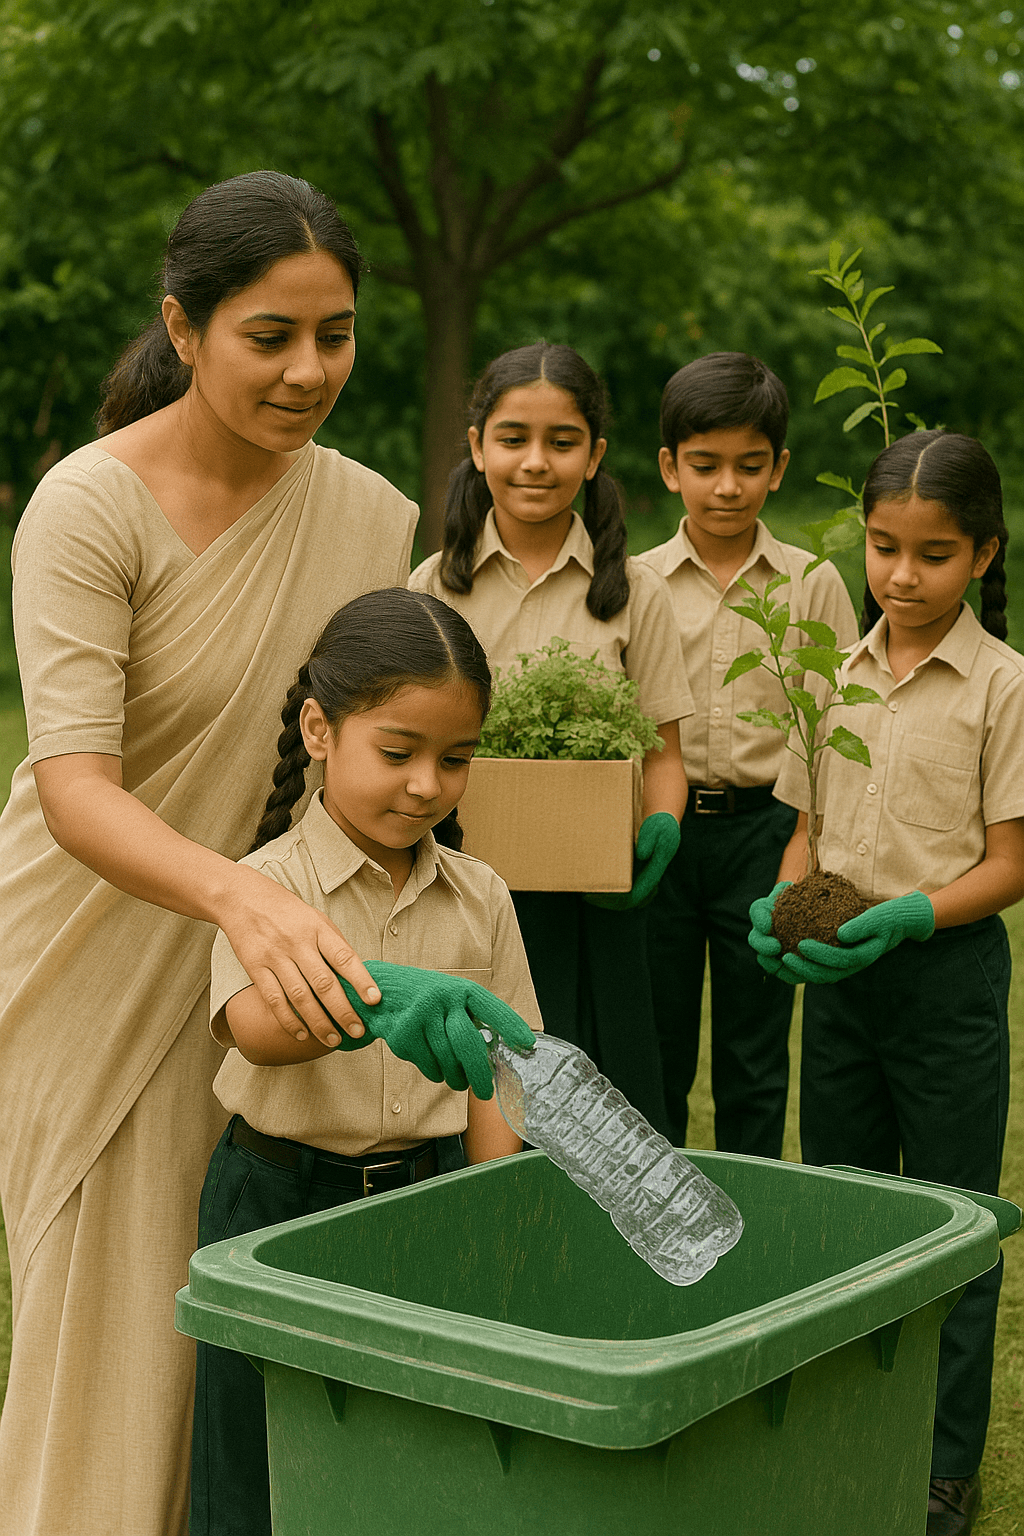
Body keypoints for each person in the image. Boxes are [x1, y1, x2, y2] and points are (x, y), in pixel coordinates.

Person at [0, 171, 422, 1536]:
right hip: (88, 947)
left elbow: (377, 747)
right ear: (183, 329)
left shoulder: (371, 517)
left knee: (231, 1317)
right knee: (101, 1335)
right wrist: (234, 895)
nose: (311, 370)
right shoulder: (86, 506)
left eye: (337, 334)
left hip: (273, 968)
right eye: (270, 335)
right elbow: (75, 787)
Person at [191, 586, 541, 1536]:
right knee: (256, 1463)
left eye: (455, 759)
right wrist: (377, 998)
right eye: (399, 753)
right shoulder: (264, 887)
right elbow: (257, 1028)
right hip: (274, 1201)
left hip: (425, 1203)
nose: (427, 784)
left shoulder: (483, 898)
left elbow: (501, 1074)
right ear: (319, 728)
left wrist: (492, 1203)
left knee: (410, 1458)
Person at [750, 431, 1024, 1536]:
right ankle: (844, 1433)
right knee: (843, 1214)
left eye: (933, 554)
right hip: (842, 985)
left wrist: (912, 912)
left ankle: (940, 1462)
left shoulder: (1001, 687)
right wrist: (780, 908)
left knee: (950, 1221)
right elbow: (805, 831)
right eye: (882, 547)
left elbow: (1009, 860)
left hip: (944, 982)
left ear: (984, 555)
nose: (902, 575)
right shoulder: (829, 674)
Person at [409, 341, 691, 1132]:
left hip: (598, 903)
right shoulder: (432, 586)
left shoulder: (638, 591)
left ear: (595, 455)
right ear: (476, 446)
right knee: (484, 1104)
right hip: (465, 889)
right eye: (513, 439)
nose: (536, 462)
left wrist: (660, 825)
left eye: (562, 442)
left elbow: (665, 750)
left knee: (609, 1110)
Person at [638, 353, 858, 1155]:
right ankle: (658, 1221)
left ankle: (752, 1218)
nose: (726, 486)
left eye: (748, 466)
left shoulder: (814, 584)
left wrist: (803, 844)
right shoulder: (635, 582)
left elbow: (830, 727)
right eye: (705, 465)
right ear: (670, 468)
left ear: (779, 469)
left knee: (755, 1048)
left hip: (766, 834)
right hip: (660, 833)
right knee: (655, 1045)